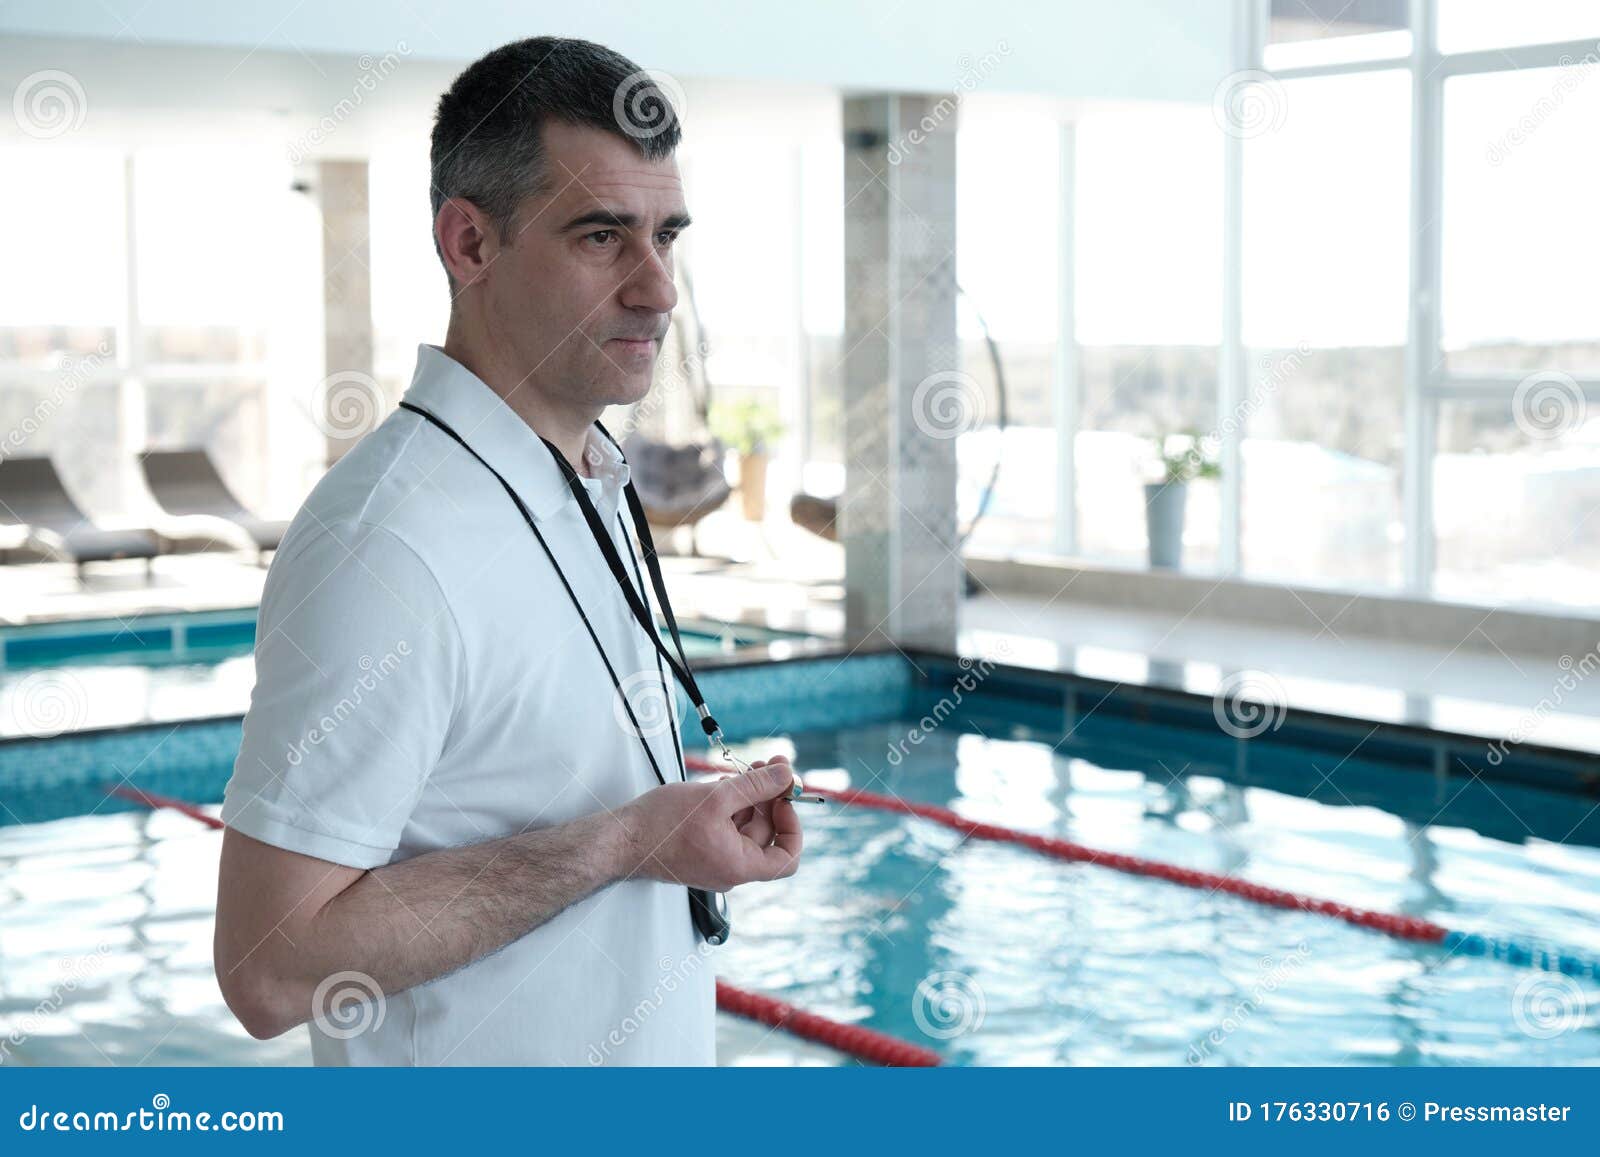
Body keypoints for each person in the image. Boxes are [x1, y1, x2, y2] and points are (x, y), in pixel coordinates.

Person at [213, 35, 802, 1066]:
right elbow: (269, 966)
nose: (657, 288)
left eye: (667, 235)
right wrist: (626, 841)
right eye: (600, 236)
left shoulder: (587, 480)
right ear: (470, 244)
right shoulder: (389, 544)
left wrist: (670, 822)